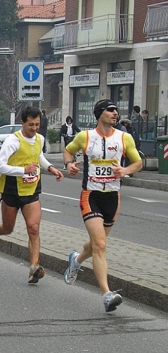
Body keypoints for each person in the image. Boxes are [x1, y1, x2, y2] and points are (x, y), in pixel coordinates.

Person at [62, 99, 142, 312]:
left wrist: (125, 171)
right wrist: (69, 164)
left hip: (113, 197)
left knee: (96, 244)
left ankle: (76, 260)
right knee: (100, 246)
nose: (115, 113)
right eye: (110, 110)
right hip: (91, 195)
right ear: (99, 114)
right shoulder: (85, 137)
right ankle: (107, 294)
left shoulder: (124, 138)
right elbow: (68, 151)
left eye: (116, 110)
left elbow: (138, 163)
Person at [0, 106, 64, 283]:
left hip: (32, 189)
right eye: (31, 125)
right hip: (12, 189)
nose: (35, 128)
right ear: (22, 123)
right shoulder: (12, 141)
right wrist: (23, 170)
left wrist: (51, 168)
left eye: (37, 125)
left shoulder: (40, 139)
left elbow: (39, 156)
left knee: (34, 228)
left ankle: (34, 267)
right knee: (8, 228)